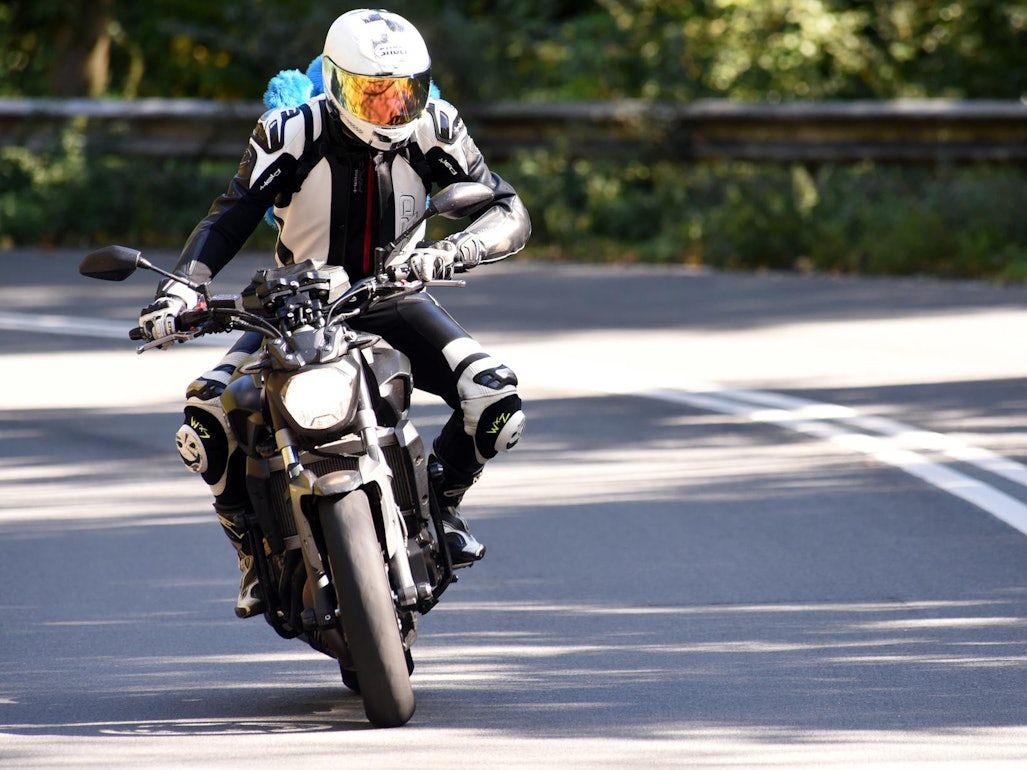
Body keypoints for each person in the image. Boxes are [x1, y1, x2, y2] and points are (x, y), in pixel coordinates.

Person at [138, 8, 530, 618]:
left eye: (405, 93)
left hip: (394, 297)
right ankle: (249, 547)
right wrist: (183, 291)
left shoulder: (435, 127)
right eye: (372, 94)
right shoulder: (288, 132)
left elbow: (508, 210)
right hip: (295, 307)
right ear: (335, 81)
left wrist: (454, 250)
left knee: (496, 401)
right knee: (205, 420)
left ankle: (441, 504)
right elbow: (230, 214)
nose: (390, 110)